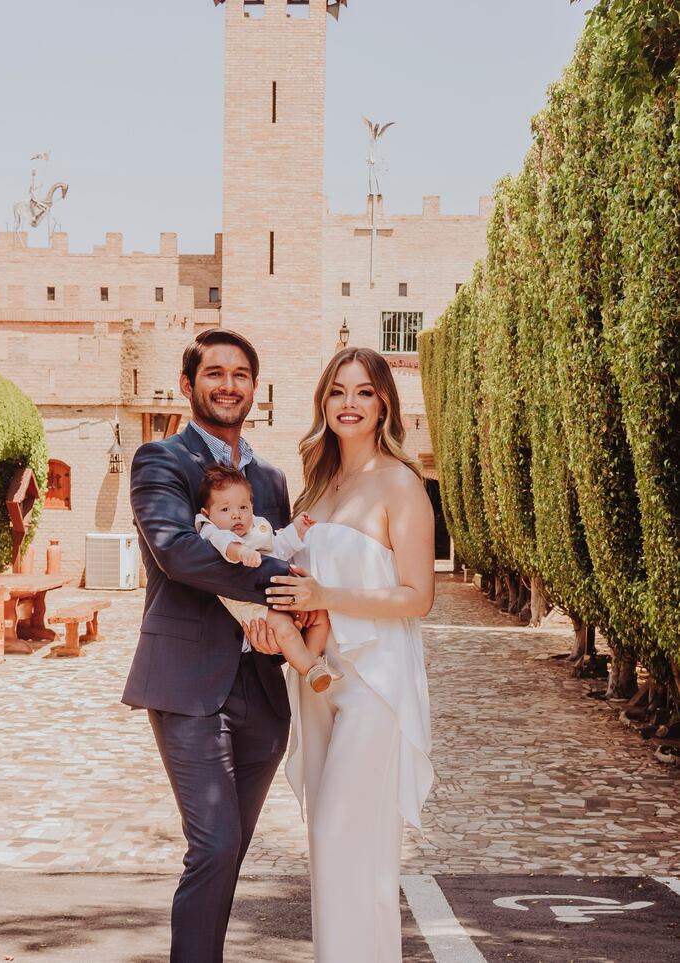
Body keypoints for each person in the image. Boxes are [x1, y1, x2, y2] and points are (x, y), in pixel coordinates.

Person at [246, 346, 436, 963]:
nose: (348, 404)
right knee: (329, 846)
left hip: (377, 682)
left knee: (343, 834)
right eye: (337, 391)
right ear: (322, 402)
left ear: (385, 403)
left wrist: (326, 594)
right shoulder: (321, 483)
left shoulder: (400, 483)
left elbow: (418, 596)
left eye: (363, 392)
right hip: (318, 680)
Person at [122, 328, 295, 963]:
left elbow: (279, 546)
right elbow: (176, 550)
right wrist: (287, 582)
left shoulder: (272, 480)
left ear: (255, 386)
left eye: (241, 374)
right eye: (214, 373)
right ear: (189, 383)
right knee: (214, 847)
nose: (228, 384)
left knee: (227, 854)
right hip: (188, 685)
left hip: (263, 695)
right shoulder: (160, 460)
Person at [195, 462, 332, 692]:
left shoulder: (257, 528)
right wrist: (241, 552)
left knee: (320, 618)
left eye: (243, 507)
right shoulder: (212, 530)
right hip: (252, 604)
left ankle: (312, 660)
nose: (236, 515)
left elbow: (278, 547)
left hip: (277, 595)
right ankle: (310, 669)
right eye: (225, 509)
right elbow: (224, 545)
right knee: (286, 630)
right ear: (207, 514)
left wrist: (298, 529)